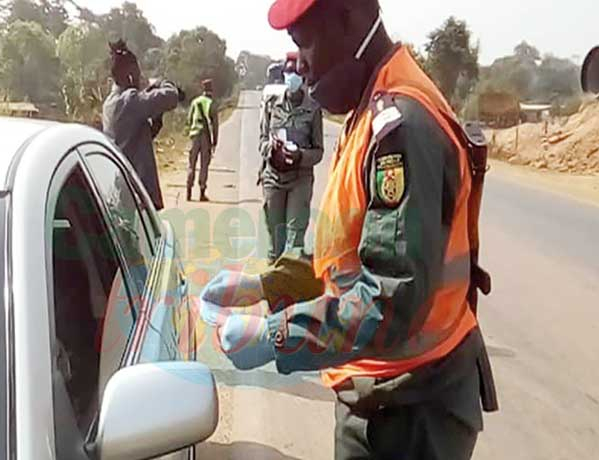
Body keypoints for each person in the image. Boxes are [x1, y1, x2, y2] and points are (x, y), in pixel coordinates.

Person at [200, 0, 498, 459]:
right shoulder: (369, 108)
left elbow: (387, 299)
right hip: (384, 392)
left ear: (355, 18)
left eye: (307, 42)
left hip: (413, 409)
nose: (301, 64)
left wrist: (276, 335)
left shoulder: (400, 126)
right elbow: (348, 257)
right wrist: (268, 284)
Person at [102, 39, 182, 211]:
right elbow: (171, 96)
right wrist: (162, 82)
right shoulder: (129, 100)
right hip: (136, 194)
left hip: (121, 187)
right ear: (130, 74)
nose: (140, 76)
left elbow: (131, 138)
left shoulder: (110, 102)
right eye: (137, 72)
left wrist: (153, 127)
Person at [258, 56, 324, 263]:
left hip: (300, 179)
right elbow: (262, 141)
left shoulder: (313, 109)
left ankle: (293, 291)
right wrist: (272, 149)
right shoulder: (271, 105)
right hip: (273, 177)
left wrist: (300, 156)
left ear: (303, 77)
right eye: (287, 72)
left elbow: (319, 151)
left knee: (295, 242)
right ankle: (274, 289)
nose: (290, 77)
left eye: (295, 73)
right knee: (275, 242)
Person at [186, 79, 220, 202]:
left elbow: (189, 119)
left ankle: (188, 191)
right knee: (204, 165)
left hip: (194, 135)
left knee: (191, 164)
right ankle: (202, 192)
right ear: (212, 90)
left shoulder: (195, 102)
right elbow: (215, 124)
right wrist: (215, 141)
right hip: (205, 137)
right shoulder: (211, 104)